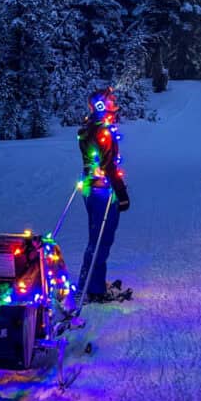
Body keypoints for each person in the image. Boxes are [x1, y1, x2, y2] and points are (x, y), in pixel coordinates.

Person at [77, 86, 131, 303]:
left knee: (95, 238)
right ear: (101, 106)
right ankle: (94, 288)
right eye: (110, 102)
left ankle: (90, 282)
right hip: (103, 191)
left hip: (92, 188)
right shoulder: (103, 132)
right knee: (101, 239)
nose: (114, 105)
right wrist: (122, 193)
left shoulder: (90, 128)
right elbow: (108, 166)